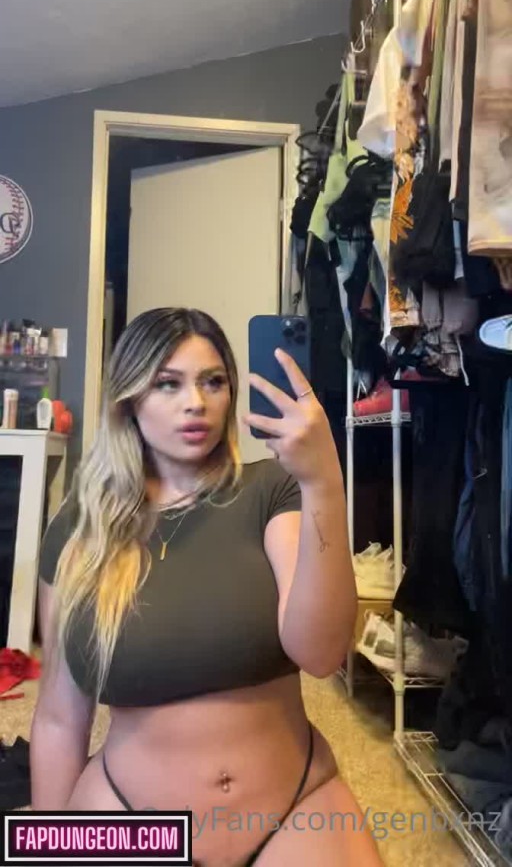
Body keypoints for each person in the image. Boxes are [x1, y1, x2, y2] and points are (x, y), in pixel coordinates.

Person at [31, 307, 382, 866]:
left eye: (212, 381)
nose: (195, 401)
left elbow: (321, 654)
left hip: (292, 809)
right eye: (167, 384)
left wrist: (324, 481)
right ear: (129, 399)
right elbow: (57, 719)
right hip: (131, 815)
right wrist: (46, 846)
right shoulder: (80, 530)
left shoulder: (273, 488)